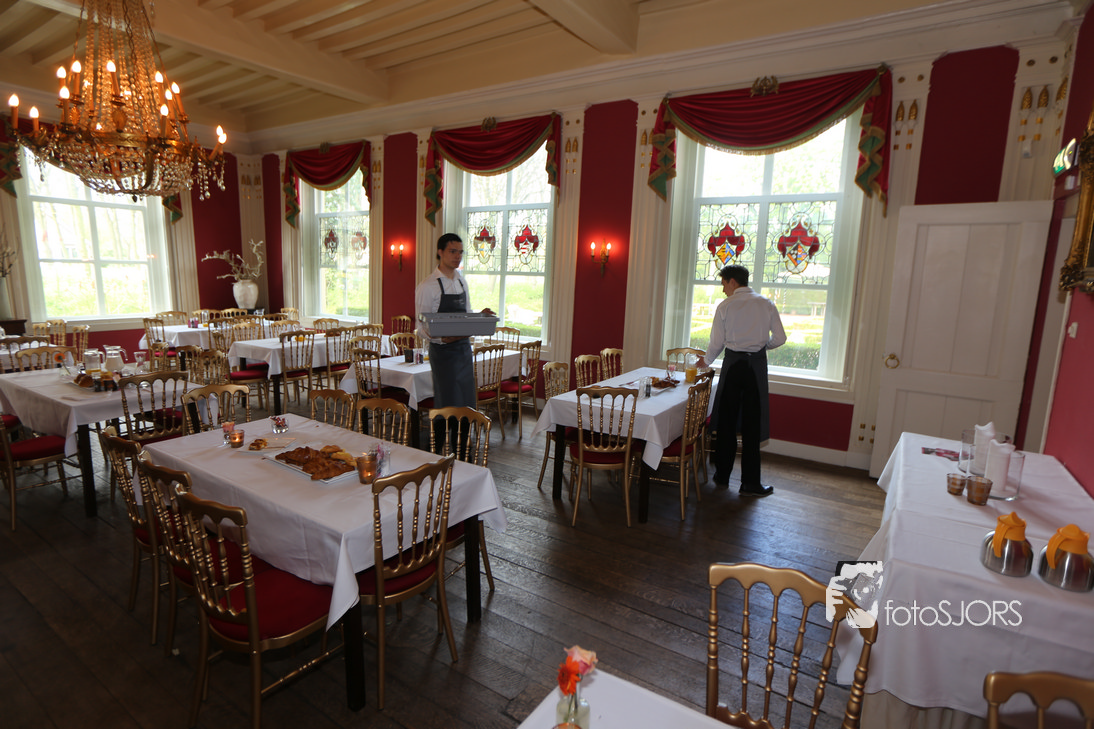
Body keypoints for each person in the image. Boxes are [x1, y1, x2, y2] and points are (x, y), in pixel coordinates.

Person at [697, 265, 786, 497]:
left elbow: (717, 342)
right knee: (752, 425)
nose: (723, 289)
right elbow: (780, 338)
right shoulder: (767, 304)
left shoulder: (725, 306)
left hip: (733, 365)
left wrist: (705, 361)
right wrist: (761, 347)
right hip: (755, 367)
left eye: (724, 284)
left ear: (733, 282)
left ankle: (722, 475)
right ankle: (750, 483)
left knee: (726, 422)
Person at [415, 232, 495, 409]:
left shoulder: (461, 282)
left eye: (460, 252)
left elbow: (466, 316)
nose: (457, 256)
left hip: (464, 350)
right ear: (440, 252)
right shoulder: (427, 286)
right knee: (448, 402)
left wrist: (481, 317)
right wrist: (441, 338)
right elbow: (420, 327)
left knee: (466, 402)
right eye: (452, 251)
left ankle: (466, 428)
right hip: (442, 354)